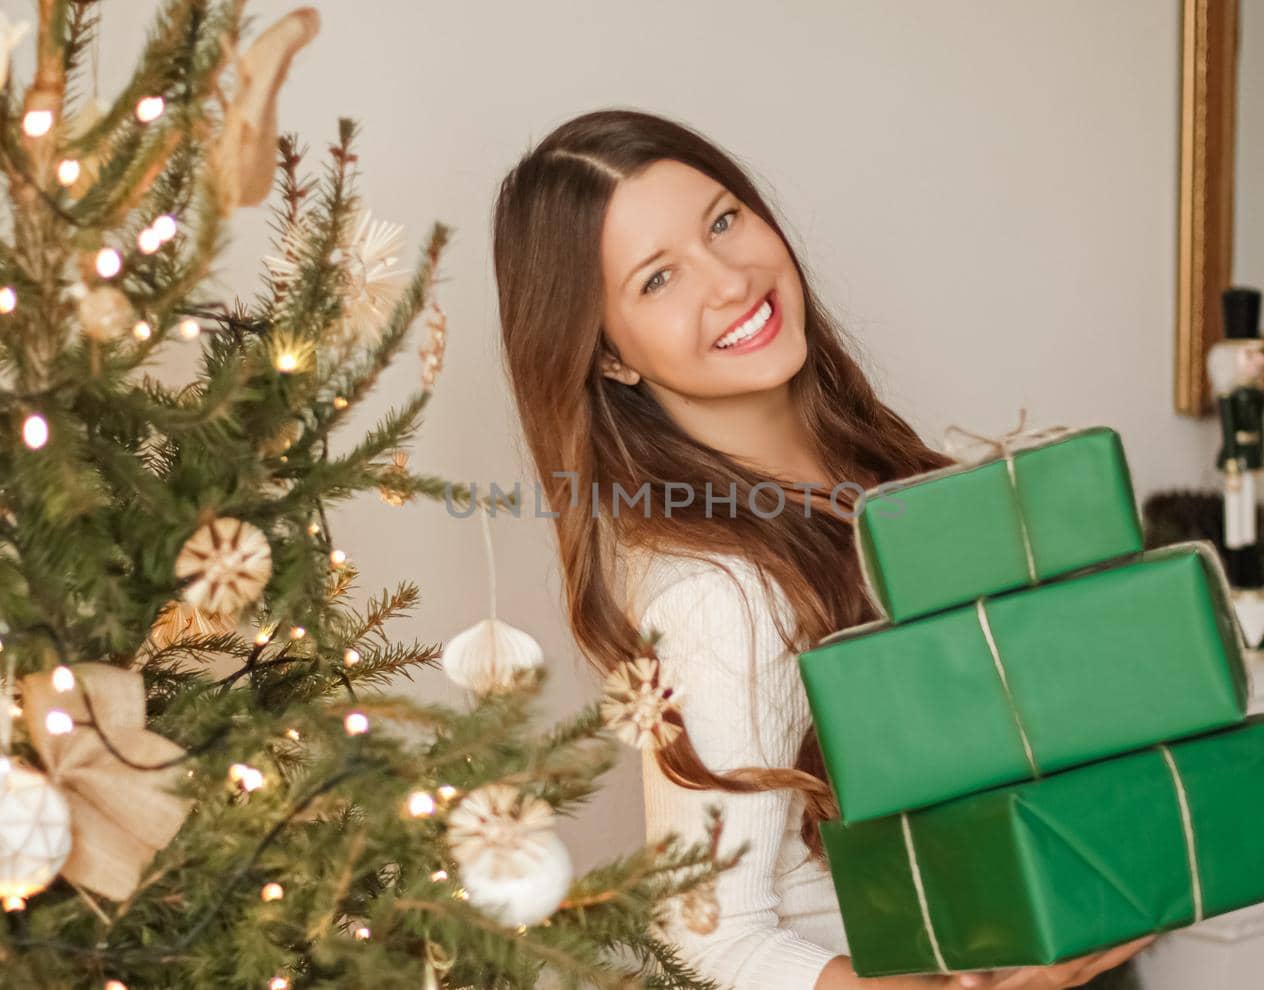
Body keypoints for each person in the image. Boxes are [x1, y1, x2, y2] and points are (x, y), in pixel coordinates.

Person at [491, 108, 1154, 989]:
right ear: (609, 357)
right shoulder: (719, 592)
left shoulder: (876, 468)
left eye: (724, 220)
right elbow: (710, 938)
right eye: (659, 279)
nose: (730, 281)